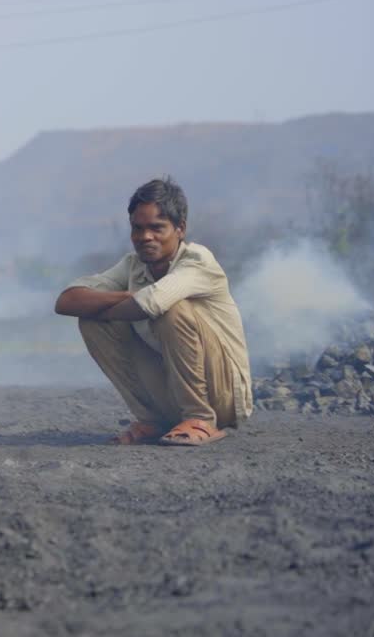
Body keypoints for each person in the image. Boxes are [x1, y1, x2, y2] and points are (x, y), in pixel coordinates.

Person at [54, 177, 252, 446]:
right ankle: (152, 420)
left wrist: (108, 307)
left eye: (157, 228)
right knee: (91, 323)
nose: (145, 237)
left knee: (172, 309)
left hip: (222, 395)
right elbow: (66, 302)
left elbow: (151, 303)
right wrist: (124, 295)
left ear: (180, 229)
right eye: (138, 228)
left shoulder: (197, 261)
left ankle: (200, 418)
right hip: (174, 390)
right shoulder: (133, 266)